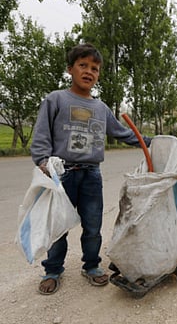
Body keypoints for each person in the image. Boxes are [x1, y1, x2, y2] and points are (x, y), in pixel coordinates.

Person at [31, 43, 152, 295]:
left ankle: (92, 266)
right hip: (61, 174)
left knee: (93, 224)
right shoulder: (56, 99)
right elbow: (41, 134)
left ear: (98, 75)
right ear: (70, 69)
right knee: (58, 226)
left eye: (94, 68)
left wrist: (149, 141)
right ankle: (52, 270)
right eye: (82, 65)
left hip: (91, 174)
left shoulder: (101, 108)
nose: (89, 71)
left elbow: (122, 132)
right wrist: (43, 161)